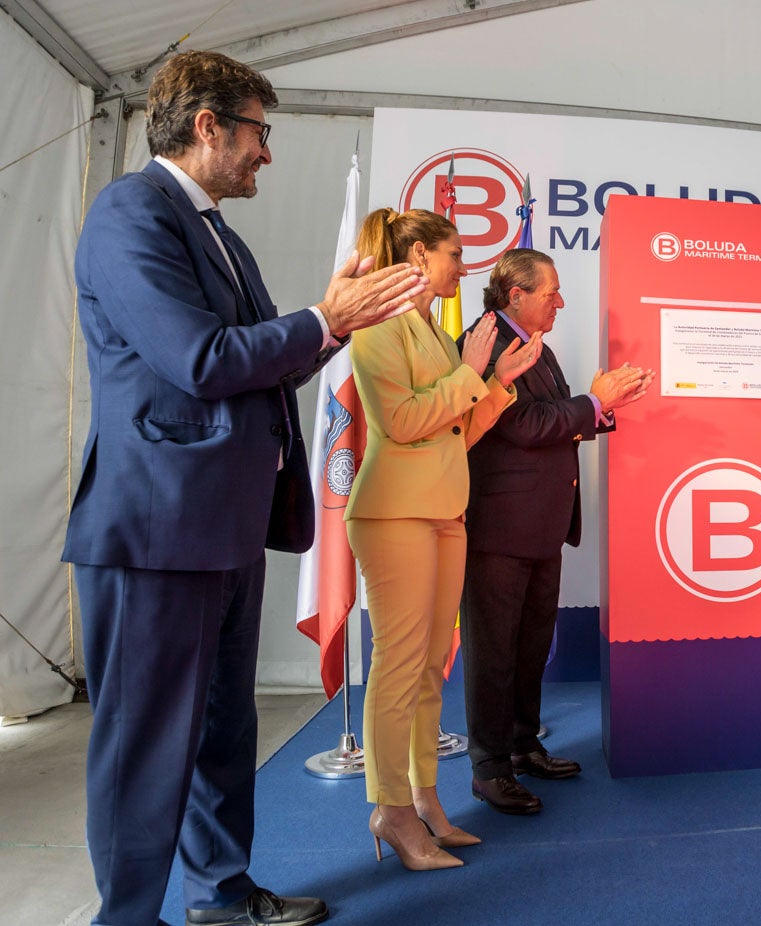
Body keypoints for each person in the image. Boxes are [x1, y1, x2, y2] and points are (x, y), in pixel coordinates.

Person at [63, 51, 426, 926]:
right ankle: (128, 918)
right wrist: (322, 320)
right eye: (261, 132)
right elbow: (200, 361)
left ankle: (219, 895)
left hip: (220, 525)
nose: (267, 153)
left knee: (224, 734)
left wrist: (326, 327)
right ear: (209, 126)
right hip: (155, 530)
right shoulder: (128, 217)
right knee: (145, 749)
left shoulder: (217, 231)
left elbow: (259, 365)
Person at [344, 209, 541, 869]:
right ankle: (390, 809)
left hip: (441, 511)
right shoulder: (379, 321)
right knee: (398, 669)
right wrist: (473, 371)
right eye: (456, 254)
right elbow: (400, 423)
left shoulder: (429, 326)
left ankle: (425, 800)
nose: (465, 267)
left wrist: (497, 384)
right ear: (421, 256)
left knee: (429, 669)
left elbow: (453, 430)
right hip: (395, 513)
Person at [459, 249, 652, 814]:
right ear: (516, 295)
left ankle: (522, 745)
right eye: (552, 292)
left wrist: (598, 405)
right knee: (494, 652)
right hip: (500, 526)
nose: (561, 301)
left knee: (530, 646)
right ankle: (489, 769)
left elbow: (555, 421)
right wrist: (595, 402)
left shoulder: (531, 346)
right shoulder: (487, 341)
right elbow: (523, 425)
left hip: (540, 524)